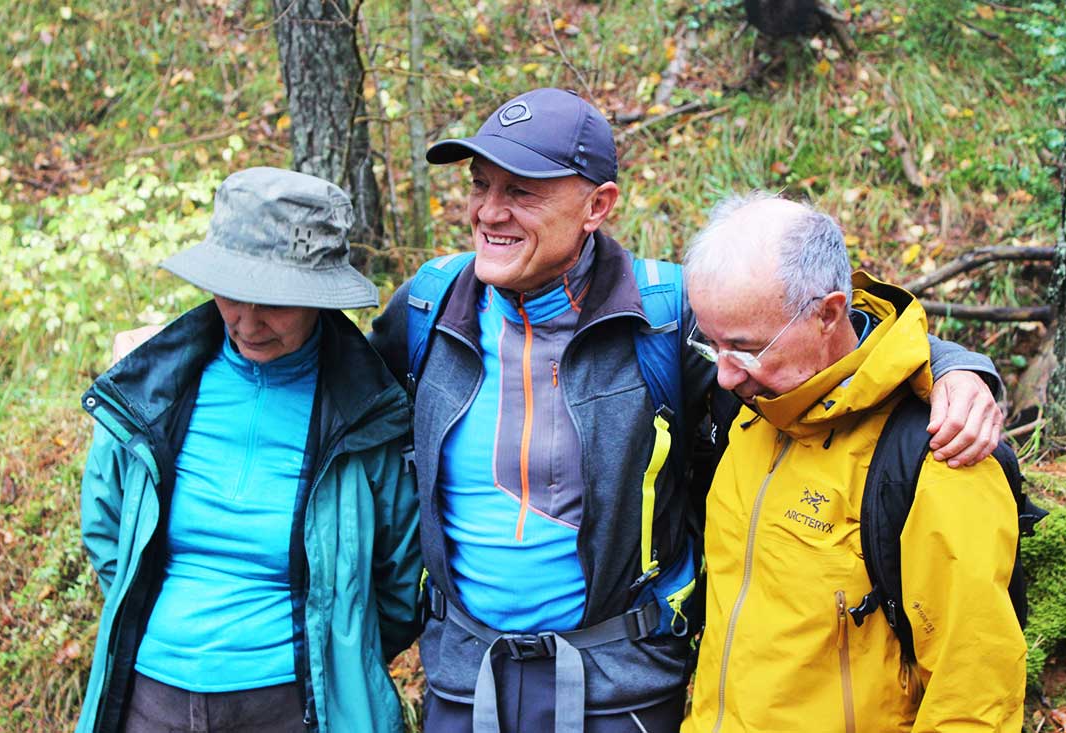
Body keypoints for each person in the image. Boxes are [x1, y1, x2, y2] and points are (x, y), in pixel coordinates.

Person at [369, 88, 1005, 732]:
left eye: (522, 191)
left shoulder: (666, 313)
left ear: (599, 205)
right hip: (465, 678)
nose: (489, 211)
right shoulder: (428, 305)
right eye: (480, 185)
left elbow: (818, 327)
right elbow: (336, 388)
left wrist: (953, 366)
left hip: (620, 686)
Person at [77, 167, 421, 733]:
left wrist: (336, 655)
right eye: (232, 296)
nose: (247, 321)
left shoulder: (366, 415)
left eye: (274, 302)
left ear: (319, 298)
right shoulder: (152, 391)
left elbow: (397, 578)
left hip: (292, 705)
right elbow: (108, 529)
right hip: (150, 696)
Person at [680, 192, 1025, 732]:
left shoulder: (940, 451)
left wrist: (957, 368)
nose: (723, 374)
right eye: (711, 346)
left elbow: (975, 691)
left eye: (744, 349)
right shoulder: (747, 405)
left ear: (828, 313)